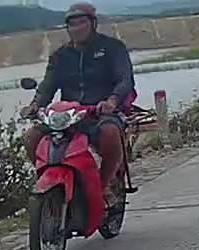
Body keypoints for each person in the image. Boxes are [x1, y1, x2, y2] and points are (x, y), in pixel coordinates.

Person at [22, 2, 134, 206]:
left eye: (82, 22)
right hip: (68, 115)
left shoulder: (113, 48)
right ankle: (47, 178)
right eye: (72, 24)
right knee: (32, 137)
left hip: (101, 112)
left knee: (110, 133)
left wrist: (112, 100)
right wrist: (35, 105)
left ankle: (105, 184)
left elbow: (125, 79)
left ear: (93, 23)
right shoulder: (60, 56)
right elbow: (48, 85)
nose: (77, 28)